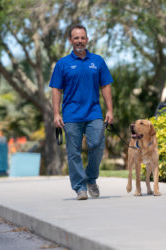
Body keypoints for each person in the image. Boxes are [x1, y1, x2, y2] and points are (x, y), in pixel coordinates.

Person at [49, 24, 113, 200]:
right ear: (70, 40)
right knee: (73, 152)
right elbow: (56, 89)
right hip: (71, 115)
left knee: (97, 146)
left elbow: (106, 85)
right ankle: (80, 187)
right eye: (76, 38)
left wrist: (110, 110)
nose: (79, 41)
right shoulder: (63, 64)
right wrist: (56, 113)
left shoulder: (98, 61)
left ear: (87, 39)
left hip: (94, 112)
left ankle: (91, 179)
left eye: (82, 37)